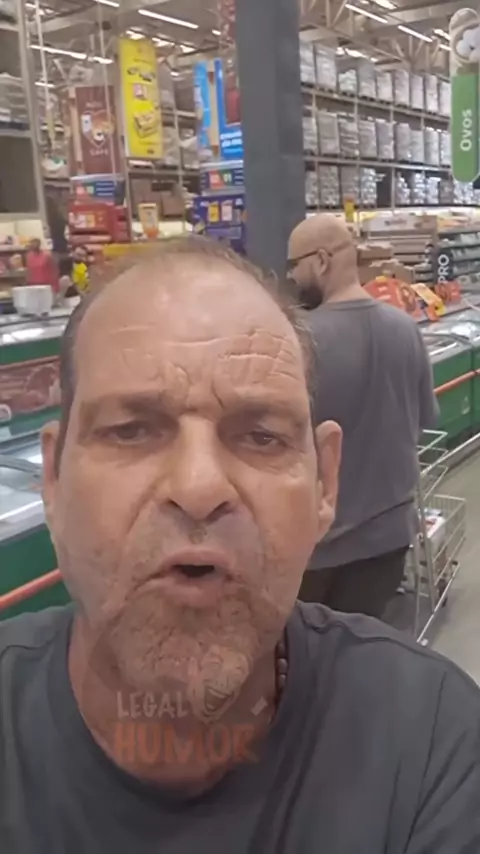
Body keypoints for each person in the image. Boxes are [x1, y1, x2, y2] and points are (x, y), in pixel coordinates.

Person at [0, 237, 478, 854]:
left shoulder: (431, 740)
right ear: (54, 480)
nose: (200, 488)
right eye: (131, 430)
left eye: (261, 436)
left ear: (325, 483)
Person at [288, 214, 439, 618]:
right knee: (362, 642)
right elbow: (421, 421)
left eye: (294, 265)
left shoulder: (300, 341)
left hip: (318, 548)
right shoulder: (406, 329)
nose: (291, 277)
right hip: (389, 540)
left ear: (321, 261)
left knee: (305, 649)